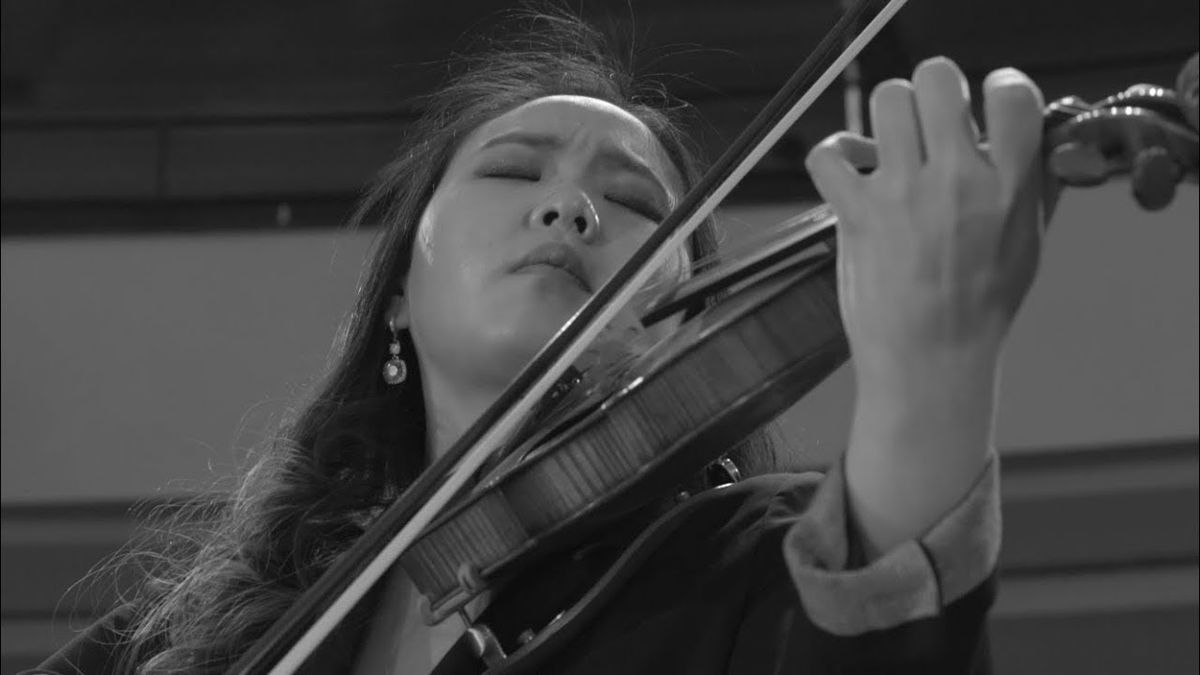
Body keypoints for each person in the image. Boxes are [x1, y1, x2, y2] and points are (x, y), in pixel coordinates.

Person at [24, 8, 1049, 674]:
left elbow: (878, 630)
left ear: (684, 310)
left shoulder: (740, 568)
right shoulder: (196, 633)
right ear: (397, 296)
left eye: (633, 201)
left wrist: (935, 364)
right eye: (516, 171)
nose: (570, 209)